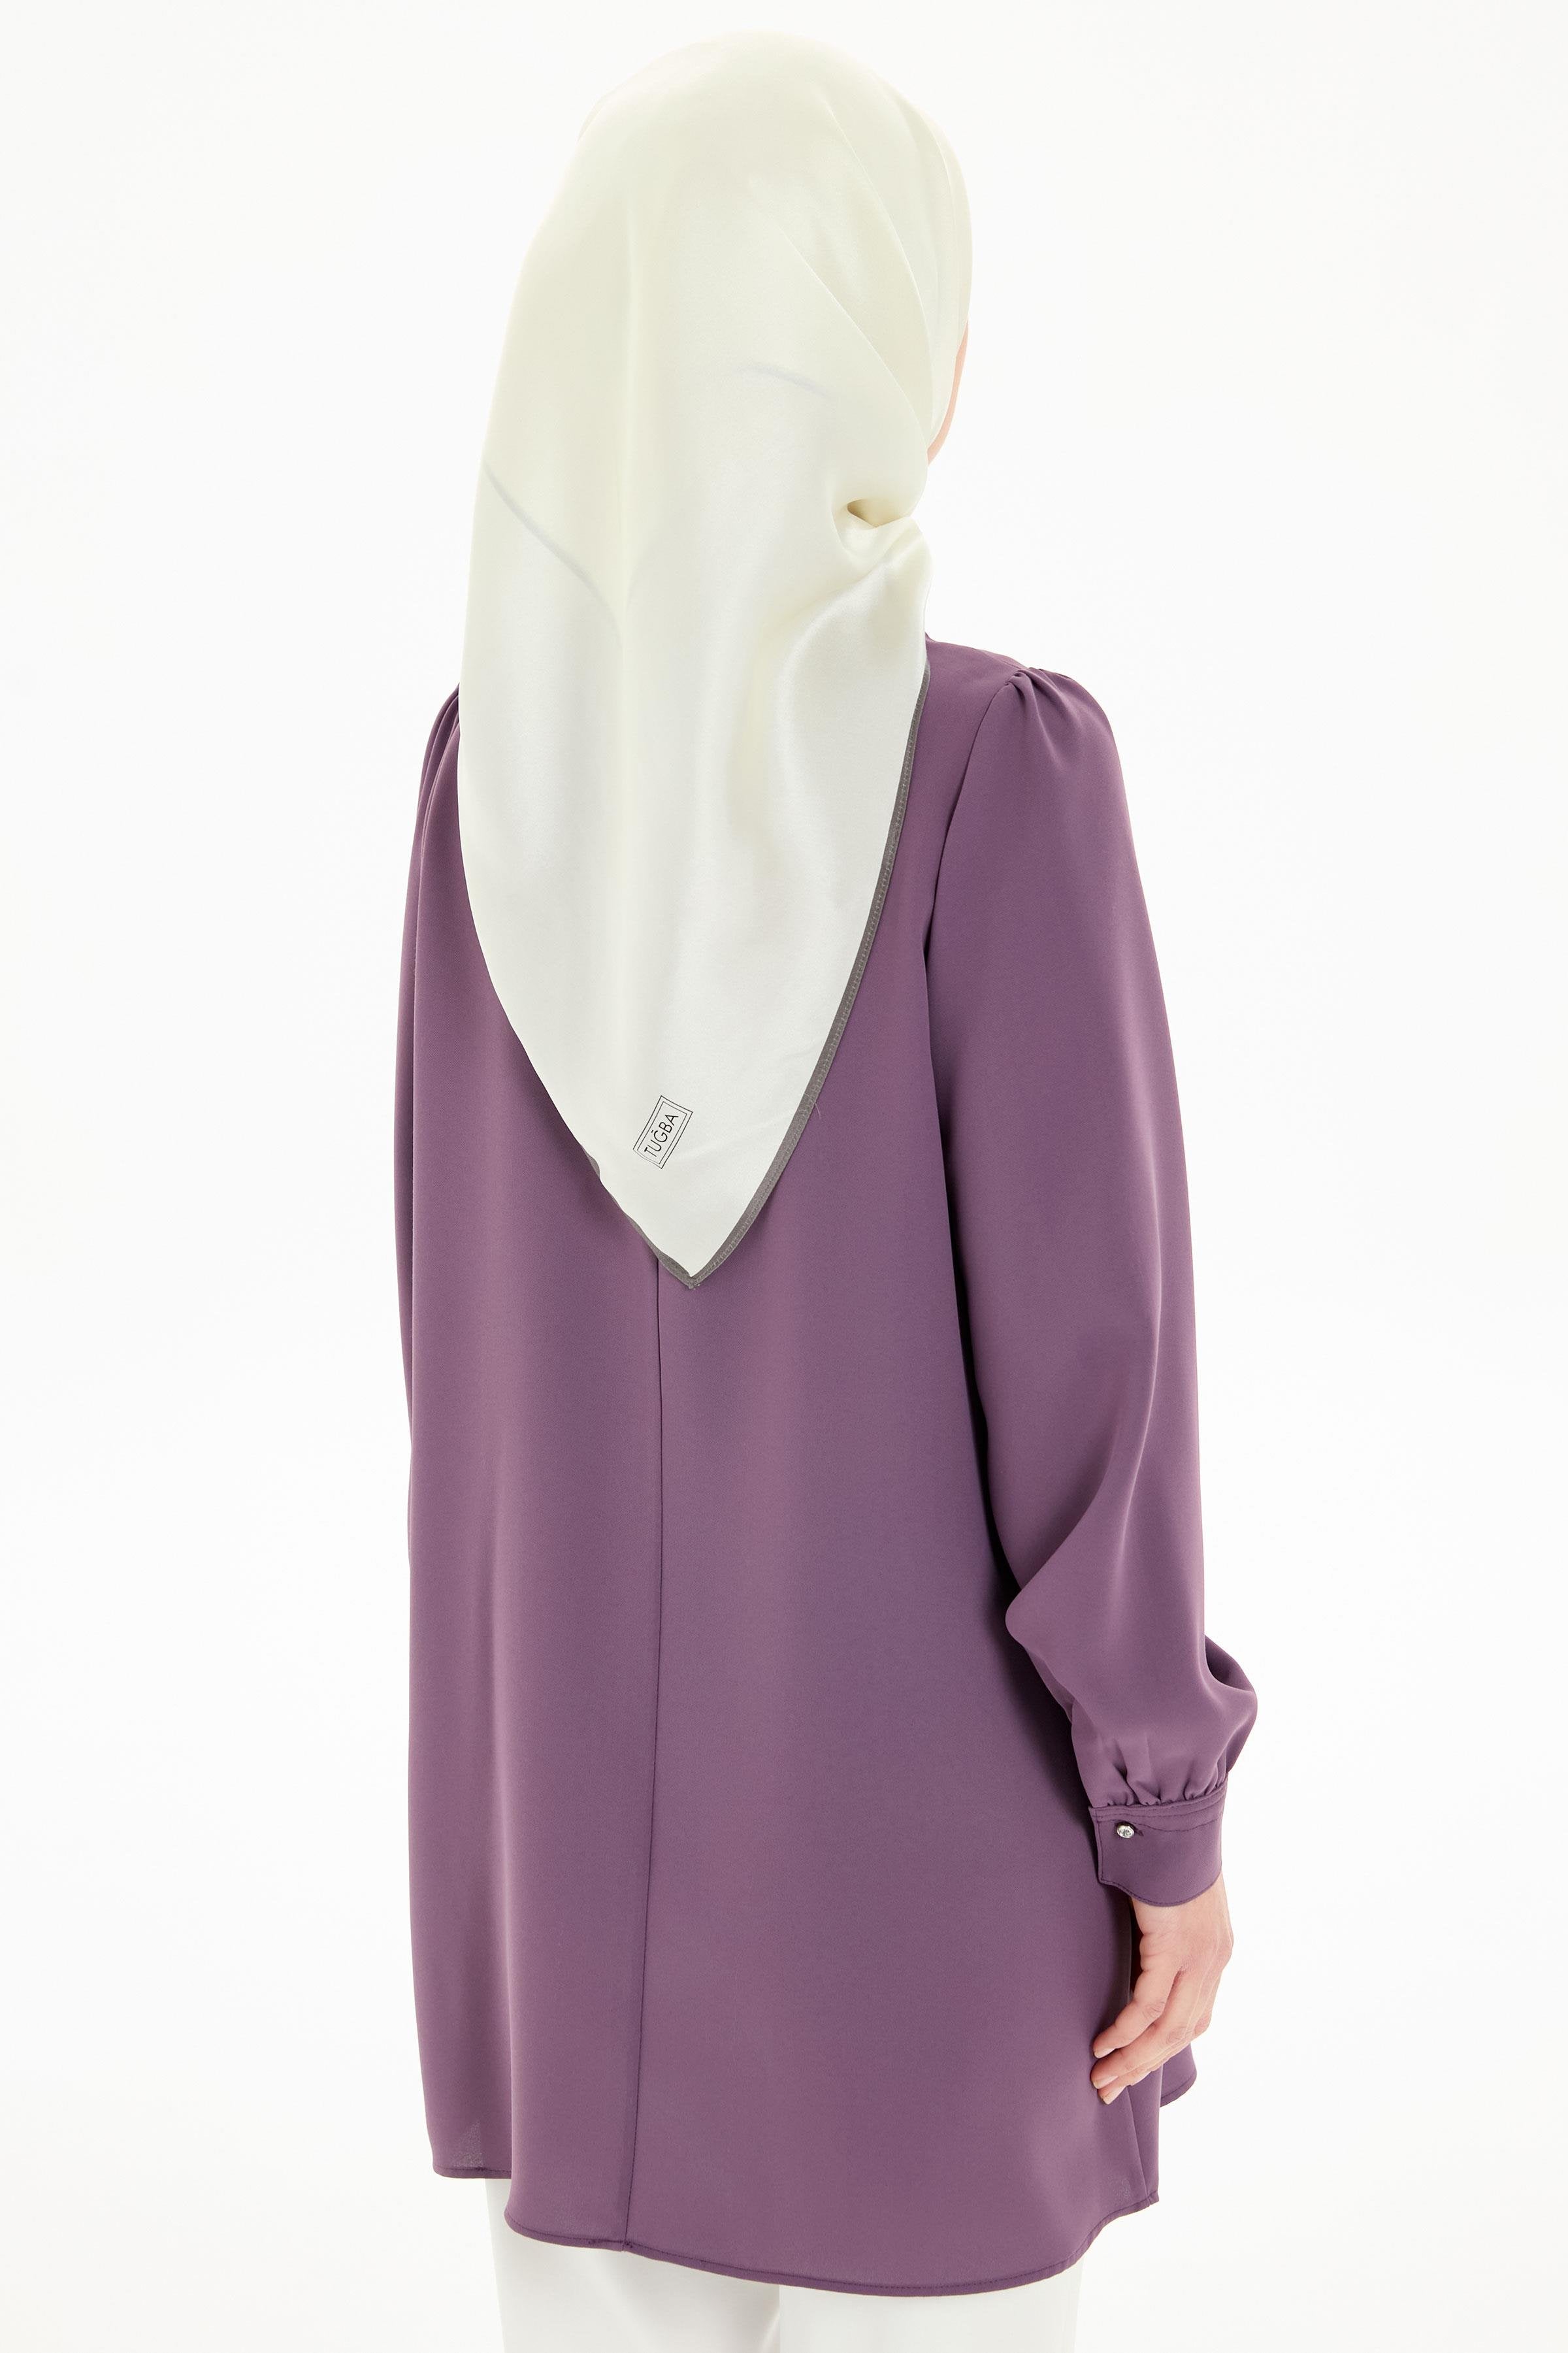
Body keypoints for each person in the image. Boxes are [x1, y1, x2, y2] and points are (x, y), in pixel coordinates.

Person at [394, 31, 1257, 2352]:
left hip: (558, 1891)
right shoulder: (992, 769)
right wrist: (1164, 1816)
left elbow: (452, 1346)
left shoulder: (490, 784)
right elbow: (1094, 1383)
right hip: (923, 1911)